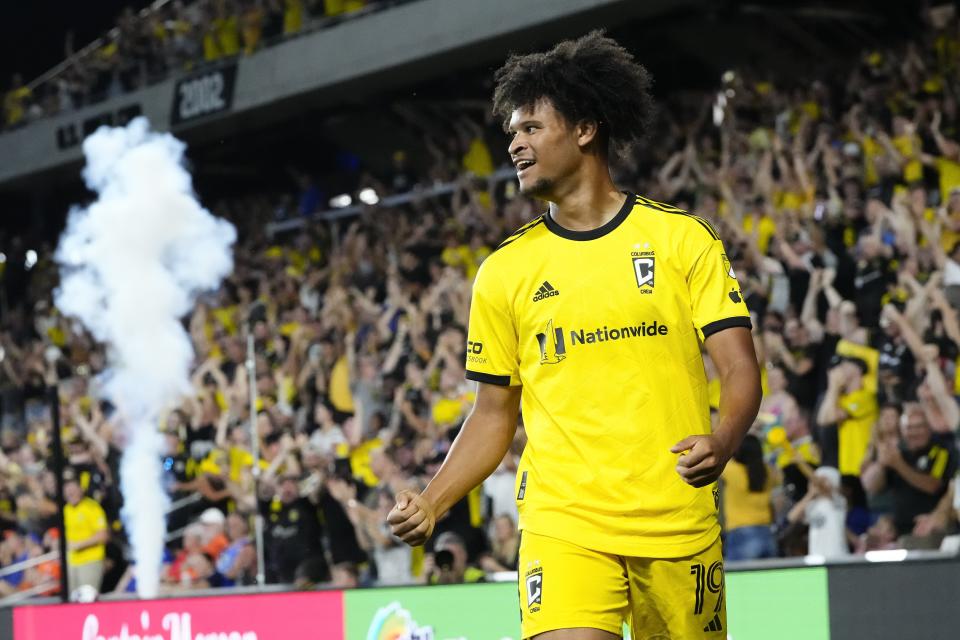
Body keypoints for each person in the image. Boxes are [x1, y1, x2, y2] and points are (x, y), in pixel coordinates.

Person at [389, 31, 761, 639]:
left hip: (677, 522)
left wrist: (721, 441)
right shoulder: (503, 272)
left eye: (531, 128)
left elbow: (740, 369)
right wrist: (434, 501)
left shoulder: (682, 241)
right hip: (563, 524)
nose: (514, 144)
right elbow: (491, 415)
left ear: (585, 129)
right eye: (511, 132)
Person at [861, 404, 957, 547]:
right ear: (902, 430)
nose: (913, 432)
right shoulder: (899, 451)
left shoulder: (940, 450)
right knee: (867, 542)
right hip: (897, 528)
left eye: (918, 427)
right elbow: (870, 486)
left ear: (928, 427)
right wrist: (882, 463)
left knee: (909, 545)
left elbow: (933, 485)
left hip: (931, 525)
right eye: (908, 428)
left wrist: (899, 464)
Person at [720, 435, 777, 560]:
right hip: (767, 533)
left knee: (741, 579)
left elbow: (719, 456)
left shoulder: (730, 470)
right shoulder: (768, 471)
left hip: (740, 534)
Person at [63, 469, 109, 596]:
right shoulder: (65, 510)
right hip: (71, 562)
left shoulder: (92, 507)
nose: (69, 492)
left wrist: (79, 544)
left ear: (81, 489)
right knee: (71, 600)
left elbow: (103, 535)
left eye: (72, 488)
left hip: (90, 560)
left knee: (87, 598)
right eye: (67, 489)